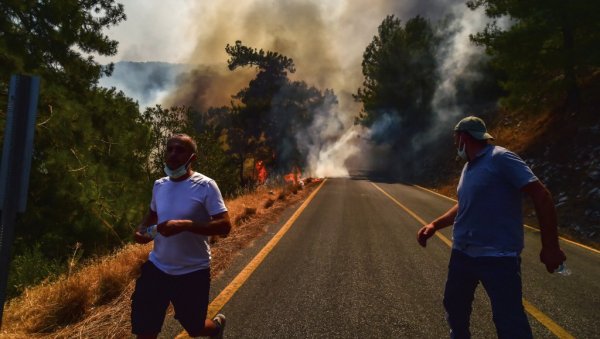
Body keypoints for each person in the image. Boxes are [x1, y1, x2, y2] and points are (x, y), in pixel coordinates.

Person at [417, 116, 566, 339]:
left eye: (455, 139)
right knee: (455, 306)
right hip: (463, 254)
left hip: (498, 257)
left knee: (509, 321)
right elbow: (465, 204)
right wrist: (435, 225)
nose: (454, 144)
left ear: (464, 138)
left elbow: (541, 195)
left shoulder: (501, 158)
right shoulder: (469, 167)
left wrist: (551, 247)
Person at [131, 133, 231, 339]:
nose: (173, 154)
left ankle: (216, 327)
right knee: (145, 330)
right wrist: (142, 230)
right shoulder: (159, 185)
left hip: (192, 271)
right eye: (170, 149)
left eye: (180, 150)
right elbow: (152, 214)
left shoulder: (206, 185)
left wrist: (186, 225)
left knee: (194, 328)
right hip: (157, 268)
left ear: (192, 158)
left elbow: (225, 226)